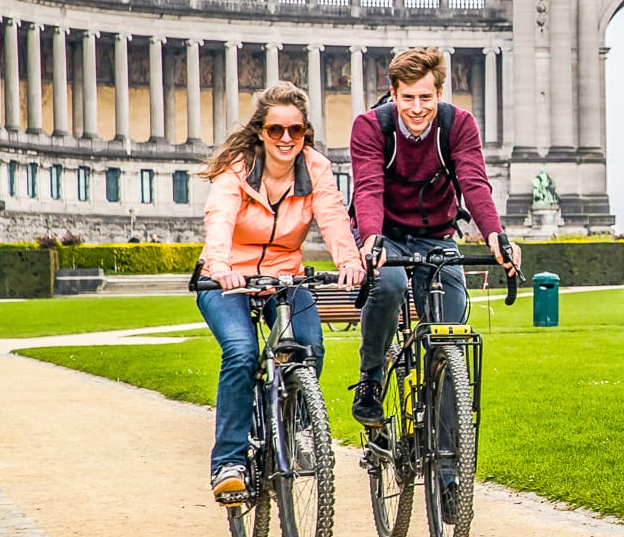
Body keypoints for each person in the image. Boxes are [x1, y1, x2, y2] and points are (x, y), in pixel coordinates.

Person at [195, 82, 365, 501]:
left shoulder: (316, 168)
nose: (286, 139)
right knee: (241, 352)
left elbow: (332, 216)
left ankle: (296, 427)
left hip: (284, 277)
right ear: (261, 132)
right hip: (227, 280)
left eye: (296, 130)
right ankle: (229, 463)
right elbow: (219, 217)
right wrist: (220, 267)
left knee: (310, 345)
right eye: (276, 130)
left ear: (305, 132)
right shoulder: (237, 168)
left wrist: (349, 260)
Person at [349, 49, 520, 423]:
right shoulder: (370, 126)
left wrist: (495, 234)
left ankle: (447, 472)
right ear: (393, 94)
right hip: (386, 233)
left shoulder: (458, 124)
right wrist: (371, 238)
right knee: (389, 285)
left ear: (439, 93)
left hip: (436, 234)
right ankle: (371, 378)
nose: (416, 107)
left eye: (425, 97)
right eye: (407, 97)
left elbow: (474, 182)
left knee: (451, 334)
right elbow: (367, 189)